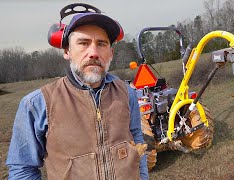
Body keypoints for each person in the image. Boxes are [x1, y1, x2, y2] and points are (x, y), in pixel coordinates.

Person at [6, 4, 148, 180]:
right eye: (83, 43)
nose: (93, 53)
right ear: (67, 51)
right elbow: (23, 170)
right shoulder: (37, 104)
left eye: (101, 44)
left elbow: (137, 144)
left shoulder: (127, 93)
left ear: (111, 53)